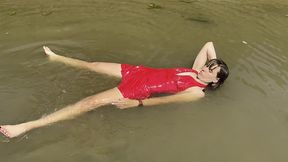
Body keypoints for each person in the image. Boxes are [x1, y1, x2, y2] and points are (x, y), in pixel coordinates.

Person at [0, 42, 229, 138]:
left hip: (140, 88)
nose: (207, 68)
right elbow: (208, 44)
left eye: (211, 71)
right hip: (139, 71)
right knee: (93, 65)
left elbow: (164, 101)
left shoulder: (197, 92)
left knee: (88, 103)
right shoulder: (196, 71)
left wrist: (137, 103)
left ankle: (26, 126)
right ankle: (57, 58)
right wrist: (217, 66)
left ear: (214, 82)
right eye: (209, 65)